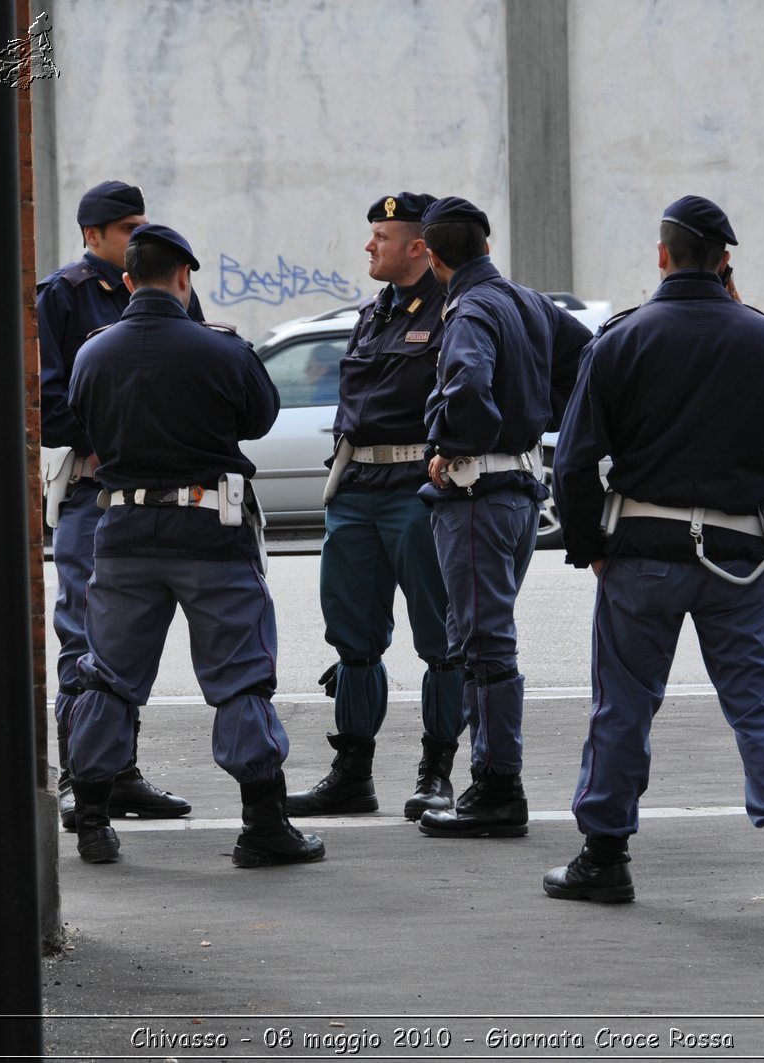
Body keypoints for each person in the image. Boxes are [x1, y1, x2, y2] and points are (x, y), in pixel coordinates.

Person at [543, 195, 764, 917]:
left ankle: (605, 857)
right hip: (738, 553)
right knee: (760, 701)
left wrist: (591, 549)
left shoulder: (618, 340)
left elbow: (574, 464)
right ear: (725, 262)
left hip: (642, 548)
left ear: (663, 255)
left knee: (624, 708)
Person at [63, 223, 323, 869]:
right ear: (185, 278)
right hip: (210, 531)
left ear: (127, 280)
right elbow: (259, 417)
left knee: (110, 676)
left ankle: (92, 818)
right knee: (238, 676)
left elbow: (81, 420)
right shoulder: (222, 350)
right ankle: (263, 823)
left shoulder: (93, 353)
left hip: (121, 534)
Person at [413, 196, 591, 839]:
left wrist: (453, 444)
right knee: (484, 637)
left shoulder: (469, 308)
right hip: (518, 489)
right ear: (486, 243)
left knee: (483, 643)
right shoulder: (528, 300)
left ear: (432, 256)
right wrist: (555, 420)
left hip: (477, 494)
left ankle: (496, 789)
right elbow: (586, 358)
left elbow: (465, 385)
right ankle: (490, 782)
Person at [285, 193, 464, 821]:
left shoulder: (453, 312)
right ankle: (352, 774)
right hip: (357, 488)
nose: (369, 246)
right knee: (353, 639)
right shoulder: (371, 315)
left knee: (442, 639)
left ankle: (436, 773)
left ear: (419, 246)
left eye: (381, 236)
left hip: (417, 489)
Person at [37, 180, 193, 831]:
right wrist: (106, 439)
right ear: (93, 234)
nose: (138, 236)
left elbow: (191, 374)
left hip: (152, 489)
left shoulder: (163, 285)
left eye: (142, 225)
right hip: (93, 488)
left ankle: (119, 770)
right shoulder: (64, 295)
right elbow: (47, 398)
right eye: (126, 227)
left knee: (131, 641)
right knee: (84, 634)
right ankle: (82, 776)